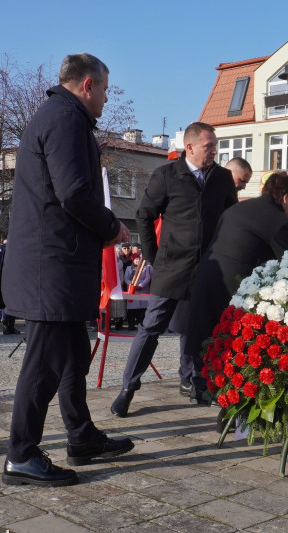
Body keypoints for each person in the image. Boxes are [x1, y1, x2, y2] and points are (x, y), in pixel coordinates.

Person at [1, 53, 133, 486]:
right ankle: (21, 454)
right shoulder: (66, 118)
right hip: (50, 265)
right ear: (89, 85)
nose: (107, 101)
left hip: (57, 261)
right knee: (44, 363)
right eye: (107, 91)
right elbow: (73, 193)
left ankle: (81, 436)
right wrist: (112, 227)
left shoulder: (58, 115)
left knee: (73, 353)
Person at [111, 121, 237, 416]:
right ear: (190, 147)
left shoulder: (222, 179)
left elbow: (231, 219)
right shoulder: (167, 175)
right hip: (171, 268)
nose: (214, 151)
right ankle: (128, 387)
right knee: (151, 327)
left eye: (215, 146)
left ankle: (198, 383)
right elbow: (144, 215)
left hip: (209, 268)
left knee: (201, 328)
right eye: (209, 146)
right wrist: (154, 258)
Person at [184, 170, 288, 395]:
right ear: (285, 198)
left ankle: (200, 385)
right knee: (231, 339)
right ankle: (227, 389)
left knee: (203, 330)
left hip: (207, 274)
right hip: (234, 285)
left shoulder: (237, 208)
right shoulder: (280, 220)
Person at [124, 245, 152, 329]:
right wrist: (132, 285)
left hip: (143, 289)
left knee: (142, 310)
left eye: (139, 259)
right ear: (133, 260)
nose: (137, 261)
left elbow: (148, 277)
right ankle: (131, 325)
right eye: (136, 259)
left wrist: (141, 285)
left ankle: (142, 325)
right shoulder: (129, 268)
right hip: (132, 290)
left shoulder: (145, 267)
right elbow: (126, 279)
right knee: (132, 310)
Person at [0, 239, 19, 335]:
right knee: (6, 304)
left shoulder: (17, 250)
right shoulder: (3, 250)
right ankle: (5, 326)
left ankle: (11, 326)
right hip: (6, 280)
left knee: (13, 304)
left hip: (15, 280)